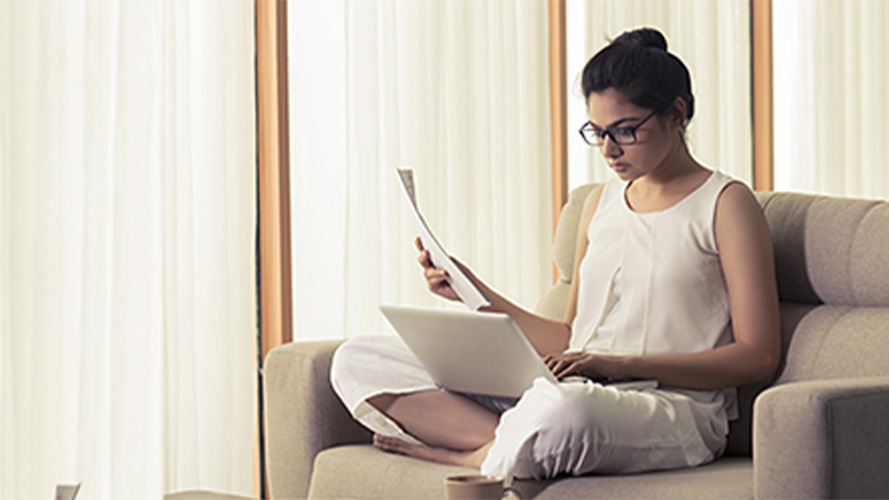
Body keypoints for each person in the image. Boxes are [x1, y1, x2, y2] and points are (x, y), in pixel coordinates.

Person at [330, 27, 780, 481]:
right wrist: (469, 289)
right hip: (572, 388)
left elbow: (758, 355)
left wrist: (620, 366)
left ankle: (478, 455)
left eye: (625, 131)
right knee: (360, 358)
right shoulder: (598, 205)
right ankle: (505, 441)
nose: (609, 149)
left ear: (676, 113)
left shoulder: (725, 204)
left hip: (667, 409)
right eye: (598, 131)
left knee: (567, 411)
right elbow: (569, 336)